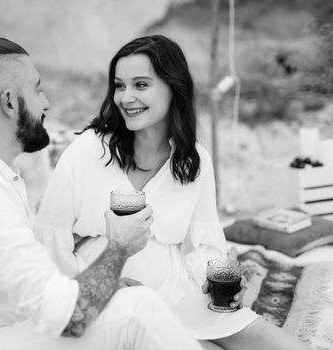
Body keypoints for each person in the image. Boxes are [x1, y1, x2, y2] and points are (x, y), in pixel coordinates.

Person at [0, 37, 206, 350]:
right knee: (138, 310)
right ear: (10, 102)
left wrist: (105, 288)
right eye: (37, 89)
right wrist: (119, 247)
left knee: (130, 303)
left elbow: (37, 288)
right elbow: (72, 319)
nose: (46, 103)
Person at [35, 35, 311, 350]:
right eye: (119, 85)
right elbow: (49, 246)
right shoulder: (87, 151)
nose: (126, 97)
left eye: (140, 85)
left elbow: (200, 247)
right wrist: (97, 287)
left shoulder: (194, 160)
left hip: (179, 293)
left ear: (173, 87)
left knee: (277, 344)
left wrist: (214, 275)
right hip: (110, 297)